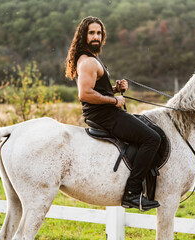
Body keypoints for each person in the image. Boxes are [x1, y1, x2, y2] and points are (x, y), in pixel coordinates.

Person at [65, 16, 161, 211]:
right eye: (91, 33)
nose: (96, 36)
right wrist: (114, 100)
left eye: (99, 33)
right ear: (83, 35)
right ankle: (133, 193)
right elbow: (84, 93)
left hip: (104, 113)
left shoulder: (91, 59)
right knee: (152, 138)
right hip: (106, 116)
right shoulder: (89, 62)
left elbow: (96, 89)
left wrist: (115, 89)